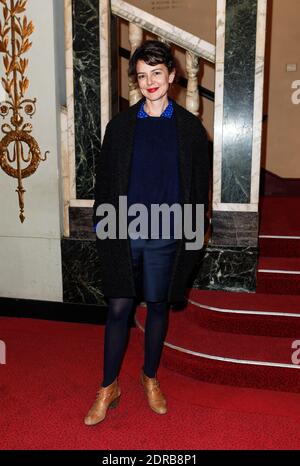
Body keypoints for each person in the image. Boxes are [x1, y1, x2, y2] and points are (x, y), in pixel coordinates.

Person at [84, 40, 210, 426]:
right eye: (141, 75)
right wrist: (105, 232)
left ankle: (149, 377)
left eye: (157, 73)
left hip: (167, 234)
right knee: (119, 308)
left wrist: (193, 238)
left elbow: (197, 190)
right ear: (135, 81)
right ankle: (108, 386)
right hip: (125, 231)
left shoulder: (190, 130)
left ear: (172, 75)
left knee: (157, 307)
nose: (149, 81)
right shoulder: (119, 127)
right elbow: (104, 186)